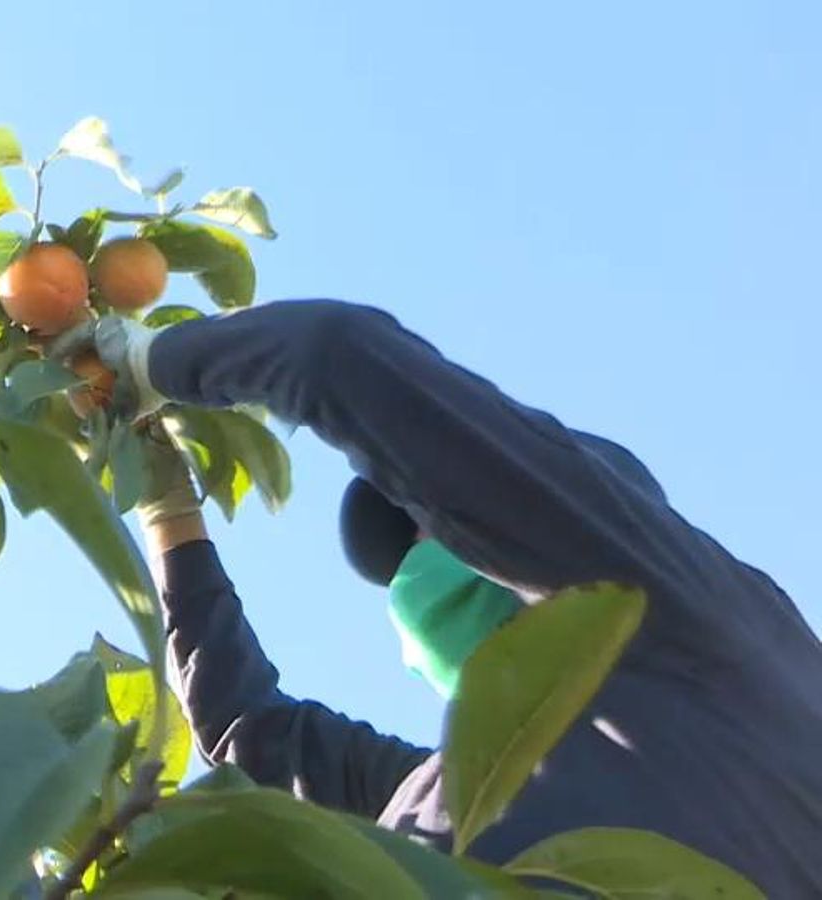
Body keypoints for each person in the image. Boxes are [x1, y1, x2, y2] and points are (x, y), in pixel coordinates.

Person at [52, 298, 822, 897]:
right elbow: (247, 734)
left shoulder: (691, 618)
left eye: (428, 526)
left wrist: (153, 361)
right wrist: (169, 512)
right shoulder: (465, 784)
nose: (413, 567)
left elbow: (332, 355)